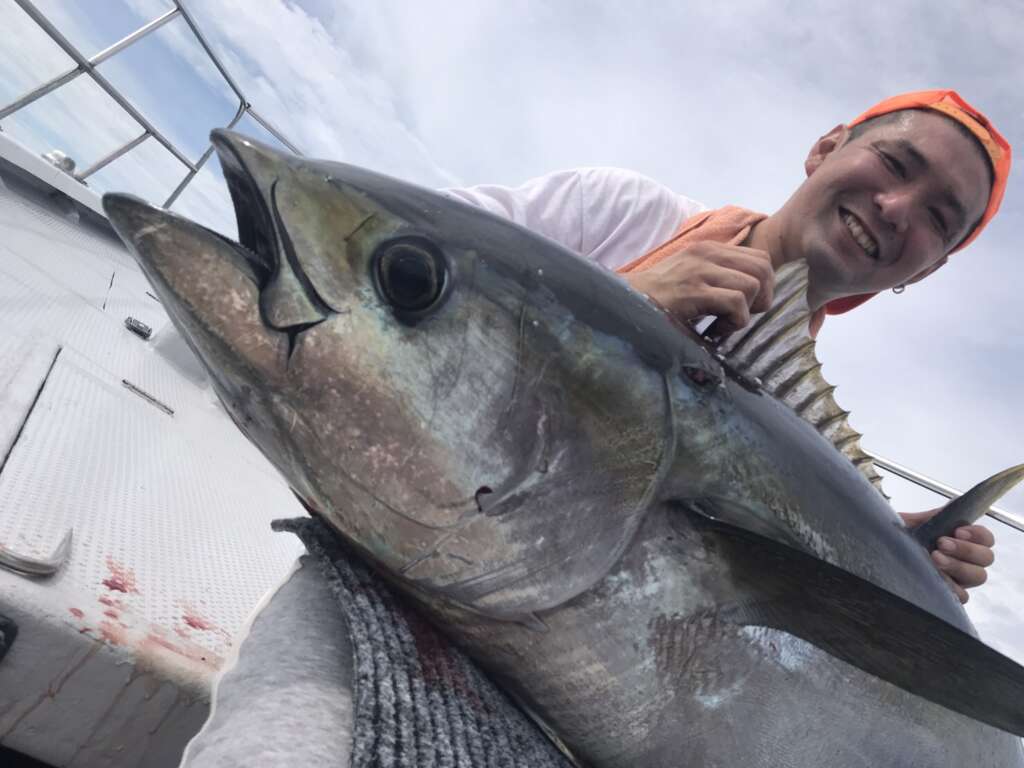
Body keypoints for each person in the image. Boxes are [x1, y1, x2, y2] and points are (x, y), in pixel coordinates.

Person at [446, 89, 1011, 604]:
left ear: (926, 269)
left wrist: (883, 550)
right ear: (825, 148)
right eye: (894, 162)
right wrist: (619, 300)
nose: (896, 207)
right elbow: (392, 262)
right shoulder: (619, 212)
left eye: (937, 219)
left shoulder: (803, 434)